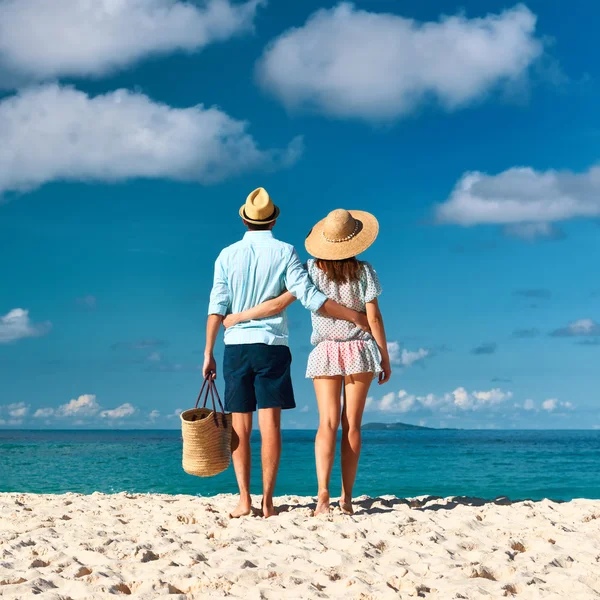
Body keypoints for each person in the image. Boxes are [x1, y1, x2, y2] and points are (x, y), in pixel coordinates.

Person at [204, 189, 371, 519]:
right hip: (272, 346)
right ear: (274, 220)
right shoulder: (285, 252)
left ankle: (243, 500)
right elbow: (311, 297)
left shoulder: (226, 255)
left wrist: (208, 351)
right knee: (271, 427)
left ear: (244, 219)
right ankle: (267, 501)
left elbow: (216, 307)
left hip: (236, 346)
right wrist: (354, 315)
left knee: (240, 427)